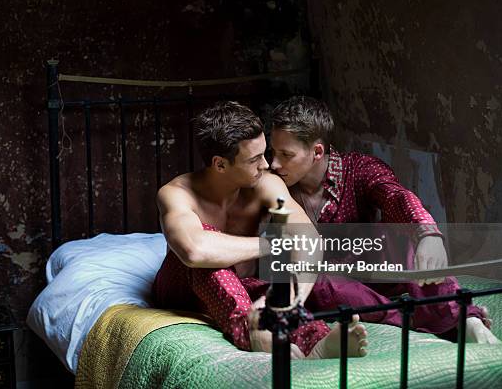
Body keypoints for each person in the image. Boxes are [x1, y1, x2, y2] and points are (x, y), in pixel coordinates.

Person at [269, 96, 499, 344]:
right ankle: (424, 320)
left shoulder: (359, 169)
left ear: (317, 152)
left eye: (285, 154)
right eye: (273, 152)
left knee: (389, 232)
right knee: (307, 273)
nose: (274, 163)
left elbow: (395, 196)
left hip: (375, 271)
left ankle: (467, 320)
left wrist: (427, 233)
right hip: (331, 287)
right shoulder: (274, 185)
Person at [152, 101, 369, 359]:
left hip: (241, 286)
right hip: (180, 291)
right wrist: (271, 245)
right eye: (254, 159)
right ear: (220, 164)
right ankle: (253, 331)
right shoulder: (176, 194)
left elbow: (308, 238)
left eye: (264, 154)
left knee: (271, 293)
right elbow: (194, 250)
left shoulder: (266, 184)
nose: (267, 165)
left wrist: (291, 297)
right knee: (207, 241)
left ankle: (316, 344)